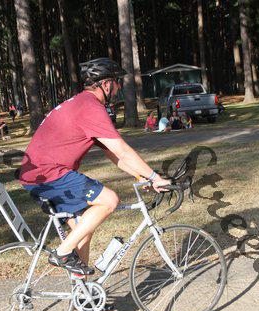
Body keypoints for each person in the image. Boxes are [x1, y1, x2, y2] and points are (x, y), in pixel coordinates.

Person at [19, 57, 171, 275]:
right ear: (106, 84)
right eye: (117, 82)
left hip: (39, 175)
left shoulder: (81, 103)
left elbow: (113, 154)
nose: (118, 88)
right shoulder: (90, 107)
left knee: (82, 230)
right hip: (49, 174)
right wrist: (155, 177)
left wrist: (142, 176)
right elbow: (122, 150)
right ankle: (61, 253)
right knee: (109, 200)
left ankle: (82, 291)